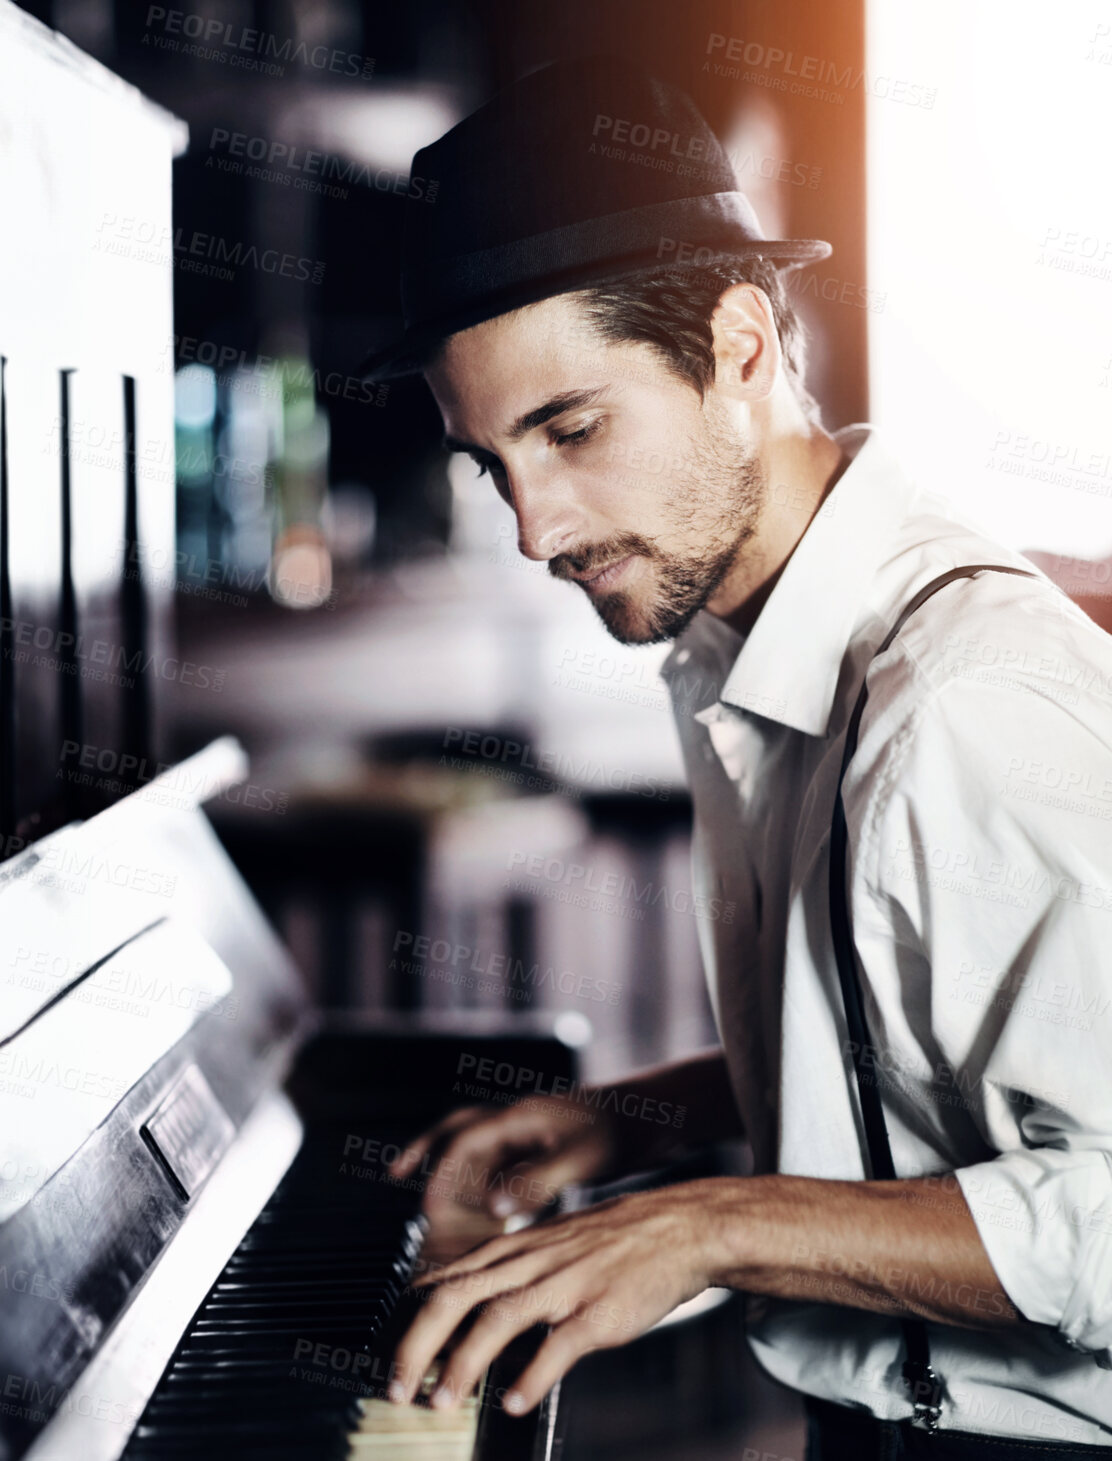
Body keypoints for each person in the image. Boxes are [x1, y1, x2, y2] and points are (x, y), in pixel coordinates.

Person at [359, 54, 1112, 1458]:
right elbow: (928, 1049)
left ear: (744, 349)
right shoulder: (728, 636)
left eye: (572, 427)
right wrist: (644, 1120)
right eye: (492, 464)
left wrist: (713, 1222)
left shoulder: (965, 701)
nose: (536, 530)